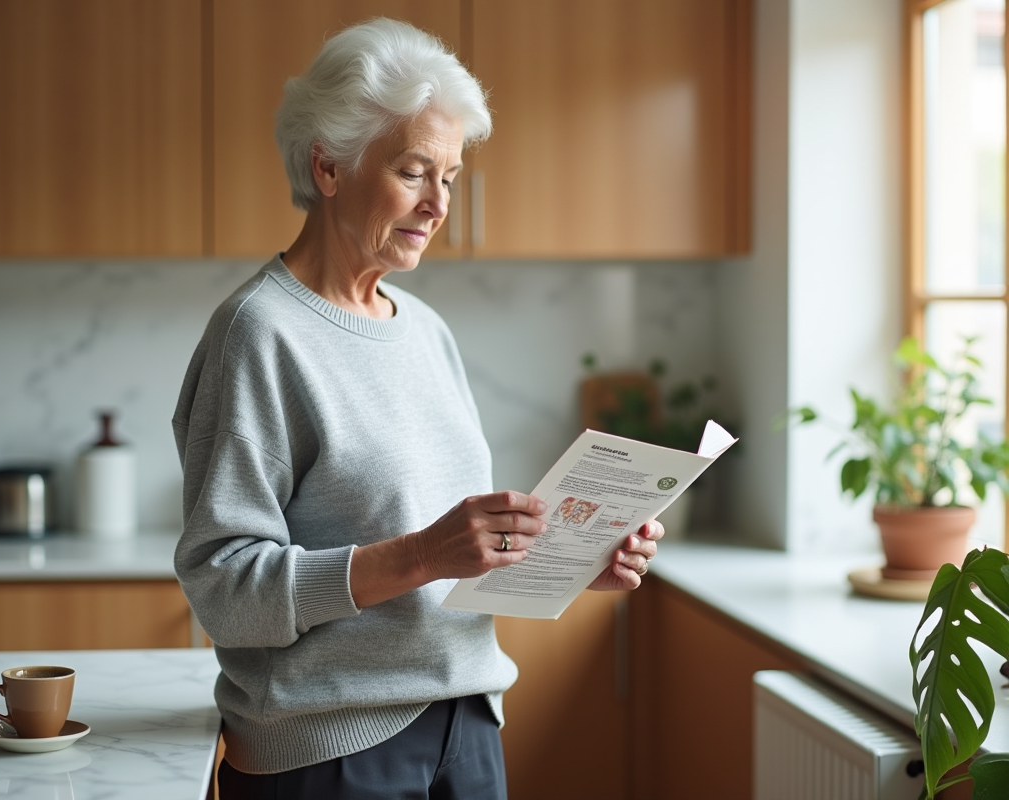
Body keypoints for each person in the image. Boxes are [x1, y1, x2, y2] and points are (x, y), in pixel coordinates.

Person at [172, 18, 663, 800]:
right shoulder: (257, 335)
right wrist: (423, 557)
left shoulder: (425, 330)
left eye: (452, 178)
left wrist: (570, 564)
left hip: (467, 723)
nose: (439, 204)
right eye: (413, 172)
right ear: (328, 167)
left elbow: (449, 551)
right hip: (328, 750)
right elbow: (225, 590)